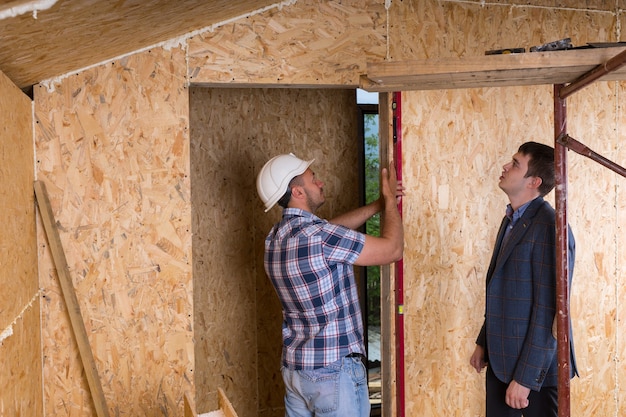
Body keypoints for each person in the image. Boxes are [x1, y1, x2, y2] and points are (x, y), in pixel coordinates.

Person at [256, 153, 403, 417]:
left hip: (296, 372)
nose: (321, 183)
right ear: (297, 191)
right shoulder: (321, 239)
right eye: (314, 179)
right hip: (333, 374)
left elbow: (332, 230)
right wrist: (391, 202)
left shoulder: (275, 239)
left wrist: (376, 205)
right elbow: (392, 250)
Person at [469, 142, 577, 417]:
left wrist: (526, 379)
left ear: (534, 182)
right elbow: (502, 290)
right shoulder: (511, 220)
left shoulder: (550, 227)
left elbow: (550, 311)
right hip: (503, 361)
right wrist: (484, 342)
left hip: (533, 375)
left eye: (516, 163)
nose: (506, 166)